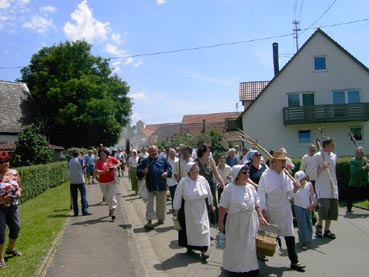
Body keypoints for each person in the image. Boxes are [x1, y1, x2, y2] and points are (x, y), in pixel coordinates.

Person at [258, 150, 306, 272]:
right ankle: (260, 254)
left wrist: (295, 188)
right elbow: (261, 193)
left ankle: (294, 261)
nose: (285, 163)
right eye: (282, 161)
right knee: (269, 235)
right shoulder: (266, 175)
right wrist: (263, 209)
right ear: (274, 162)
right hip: (272, 209)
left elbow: (289, 193)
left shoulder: (286, 175)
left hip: (285, 209)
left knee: (289, 235)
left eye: (285, 160)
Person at [218, 165, 267, 275]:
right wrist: (221, 222)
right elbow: (223, 207)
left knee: (250, 245)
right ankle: (234, 268)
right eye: (244, 173)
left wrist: (261, 216)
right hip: (235, 222)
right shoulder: (229, 189)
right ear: (237, 175)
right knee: (236, 245)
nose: (247, 175)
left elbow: (257, 204)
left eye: (248, 172)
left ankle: (251, 268)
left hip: (250, 221)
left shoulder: (250, 188)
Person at [173, 162, 215, 262]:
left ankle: (204, 251)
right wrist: (176, 209)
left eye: (197, 170)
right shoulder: (184, 182)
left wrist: (211, 204)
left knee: (203, 229)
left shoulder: (202, 179)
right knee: (191, 230)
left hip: (202, 208)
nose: (197, 171)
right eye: (194, 170)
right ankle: (190, 247)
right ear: (189, 171)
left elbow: (209, 192)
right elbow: (178, 196)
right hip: (190, 210)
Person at [137, 145, 172, 229]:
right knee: (150, 204)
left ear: (157, 151)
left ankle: (160, 218)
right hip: (150, 186)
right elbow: (138, 171)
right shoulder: (145, 161)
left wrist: (166, 173)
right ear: (148, 152)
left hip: (161, 185)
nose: (154, 152)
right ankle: (149, 221)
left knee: (161, 204)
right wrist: (143, 171)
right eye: (152, 151)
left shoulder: (163, 159)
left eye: (155, 151)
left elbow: (169, 168)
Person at [313, 137, 339, 239]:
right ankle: (319, 225)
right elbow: (312, 171)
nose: (334, 146)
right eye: (332, 144)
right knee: (324, 207)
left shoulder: (334, 156)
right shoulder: (318, 156)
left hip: (333, 186)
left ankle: (327, 230)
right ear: (326, 145)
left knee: (332, 209)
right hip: (322, 187)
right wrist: (322, 168)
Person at [0, 151, 22, 268]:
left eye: (6, 161)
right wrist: (2, 200)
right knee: (1, 232)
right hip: (0, 208)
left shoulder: (14, 173)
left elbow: (20, 186)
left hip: (13, 206)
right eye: (2, 162)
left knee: (16, 228)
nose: (5, 164)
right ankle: (0, 258)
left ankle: (10, 249)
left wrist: (18, 192)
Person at [195, 144, 225, 225]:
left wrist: (222, 184)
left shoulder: (211, 161)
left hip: (211, 186)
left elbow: (217, 174)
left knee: (211, 206)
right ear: (203, 151)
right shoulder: (196, 162)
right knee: (203, 207)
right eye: (208, 150)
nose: (209, 152)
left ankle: (209, 225)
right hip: (200, 187)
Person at [94, 147, 121, 221]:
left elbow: (119, 162)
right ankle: (110, 208)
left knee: (112, 196)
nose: (102, 155)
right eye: (101, 154)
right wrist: (103, 171)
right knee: (106, 197)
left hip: (111, 181)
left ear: (106, 154)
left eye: (103, 154)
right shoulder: (98, 161)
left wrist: (115, 166)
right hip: (102, 182)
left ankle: (113, 212)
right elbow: (96, 171)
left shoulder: (111, 158)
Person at [293, 171, 315, 250]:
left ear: (304, 178)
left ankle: (308, 240)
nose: (300, 182)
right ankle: (303, 242)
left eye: (301, 180)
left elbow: (312, 195)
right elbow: (292, 195)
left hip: (307, 207)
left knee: (308, 223)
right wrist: (296, 188)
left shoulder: (309, 185)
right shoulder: (295, 186)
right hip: (298, 207)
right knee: (302, 224)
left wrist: (312, 204)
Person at [68, 150, 92, 217]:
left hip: (72, 181)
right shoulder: (81, 160)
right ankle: (84, 211)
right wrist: (85, 167)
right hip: (80, 180)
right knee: (83, 196)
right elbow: (83, 169)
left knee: (74, 197)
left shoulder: (69, 160)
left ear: (72, 154)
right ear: (78, 154)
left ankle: (76, 212)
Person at [346, 146, 369, 212]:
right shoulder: (353, 161)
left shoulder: (365, 159)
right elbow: (353, 171)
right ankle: (349, 208)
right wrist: (364, 168)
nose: (362, 153)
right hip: (354, 182)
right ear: (357, 153)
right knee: (350, 196)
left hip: (364, 181)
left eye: (362, 152)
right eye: (360, 152)